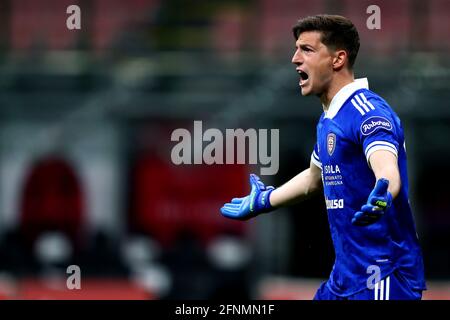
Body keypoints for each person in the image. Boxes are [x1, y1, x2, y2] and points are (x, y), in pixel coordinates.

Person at [220, 14, 426, 300]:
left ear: (337, 59)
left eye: (307, 49)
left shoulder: (369, 113)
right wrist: (264, 200)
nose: (295, 59)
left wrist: (385, 192)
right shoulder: (330, 118)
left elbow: (386, 168)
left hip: (383, 277)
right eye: (296, 49)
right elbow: (314, 177)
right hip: (345, 277)